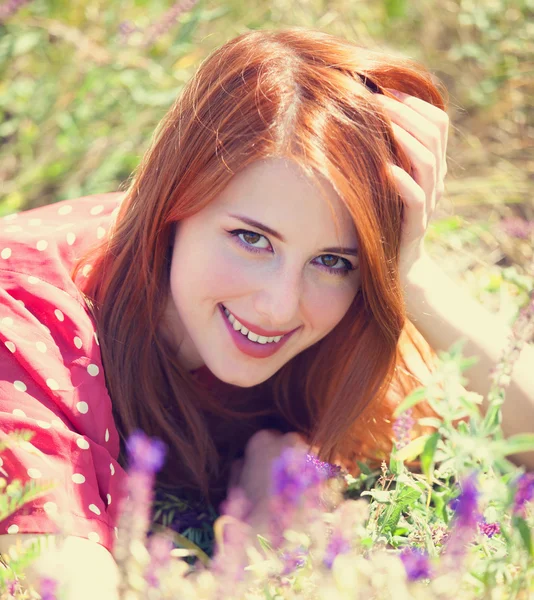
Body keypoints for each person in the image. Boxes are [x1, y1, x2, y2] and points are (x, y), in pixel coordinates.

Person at [0, 27, 532, 597]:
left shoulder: (350, 314)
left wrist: (413, 275)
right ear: (173, 204)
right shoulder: (21, 324)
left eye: (333, 260)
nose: (280, 306)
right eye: (252, 240)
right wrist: (251, 541)